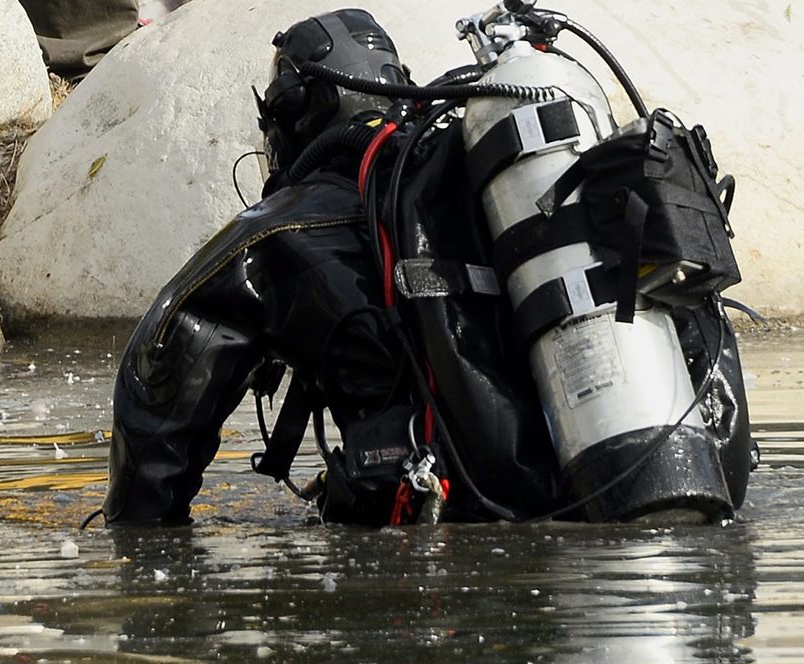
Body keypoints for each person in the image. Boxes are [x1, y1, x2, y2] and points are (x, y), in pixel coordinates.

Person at [100, 9, 755, 527]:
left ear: (295, 116)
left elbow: (159, 374)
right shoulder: (495, 187)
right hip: (647, 472)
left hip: (452, 530)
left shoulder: (284, 227)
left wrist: (140, 543)